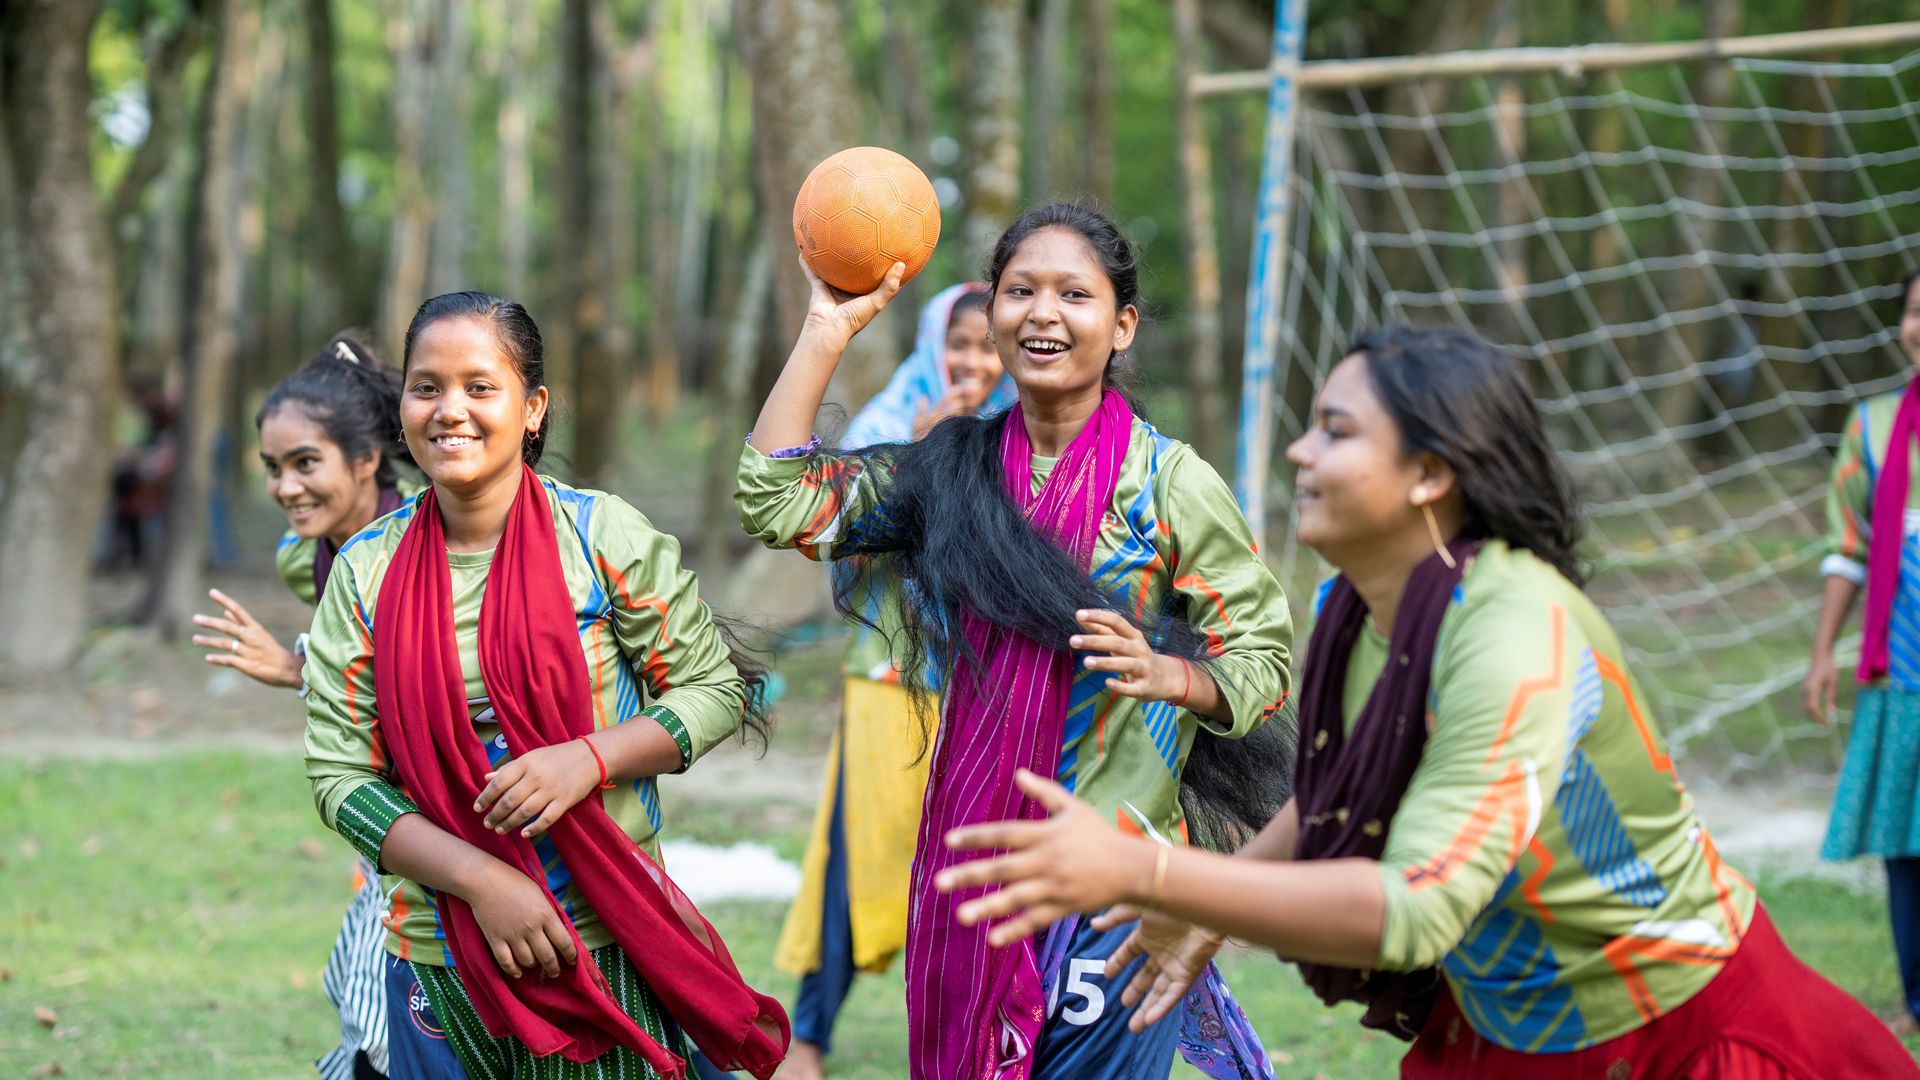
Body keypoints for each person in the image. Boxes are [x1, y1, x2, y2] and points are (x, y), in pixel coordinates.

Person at [937, 325, 1920, 1078]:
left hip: (1681, 1036)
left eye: (1334, 431)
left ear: (1432, 476)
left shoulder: (1515, 631)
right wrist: (1206, 921)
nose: (1297, 454)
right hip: (1506, 1034)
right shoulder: (1357, 612)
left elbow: (1413, 907)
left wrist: (1152, 873)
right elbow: (1333, 800)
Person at [738, 204, 1292, 1078]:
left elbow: (1265, 663)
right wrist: (824, 327)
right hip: (974, 875)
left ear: (1123, 326)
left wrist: (1171, 675)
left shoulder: (1169, 485)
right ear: (990, 313)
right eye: (1019, 290)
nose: (1042, 313)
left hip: (1119, 879)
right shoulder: (949, 471)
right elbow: (776, 499)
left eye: (1075, 294)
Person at [303, 292, 788, 1080]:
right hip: (439, 952)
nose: (449, 409)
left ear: (533, 409)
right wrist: (482, 879)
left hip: (606, 934)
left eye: (480, 386)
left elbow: (711, 691)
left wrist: (585, 760)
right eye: (426, 387)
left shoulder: (602, 537)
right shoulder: (365, 570)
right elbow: (340, 779)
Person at [772, 283, 1015, 1079]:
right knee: (857, 857)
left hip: (988, 688)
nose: (974, 362)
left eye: (990, 347)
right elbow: (831, 535)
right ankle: (807, 1034)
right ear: (933, 347)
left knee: (980, 869)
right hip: (889, 679)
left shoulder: (1023, 436)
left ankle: (979, 1034)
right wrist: (914, 458)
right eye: (961, 344)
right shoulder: (888, 423)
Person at [190, 331, 412, 1080]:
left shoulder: (419, 549)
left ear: (366, 460)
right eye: (273, 469)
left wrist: (298, 668)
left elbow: (416, 691)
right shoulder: (312, 556)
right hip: (386, 823)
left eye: (305, 463)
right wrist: (300, 670)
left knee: (384, 1015)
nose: (286, 487)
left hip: (457, 817)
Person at [1805, 266, 1920, 1037]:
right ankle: (1916, 997)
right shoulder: (1872, 425)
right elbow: (1852, 547)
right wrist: (1824, 652)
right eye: (1917, 310)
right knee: (1905, 841)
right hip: (1901, 665)